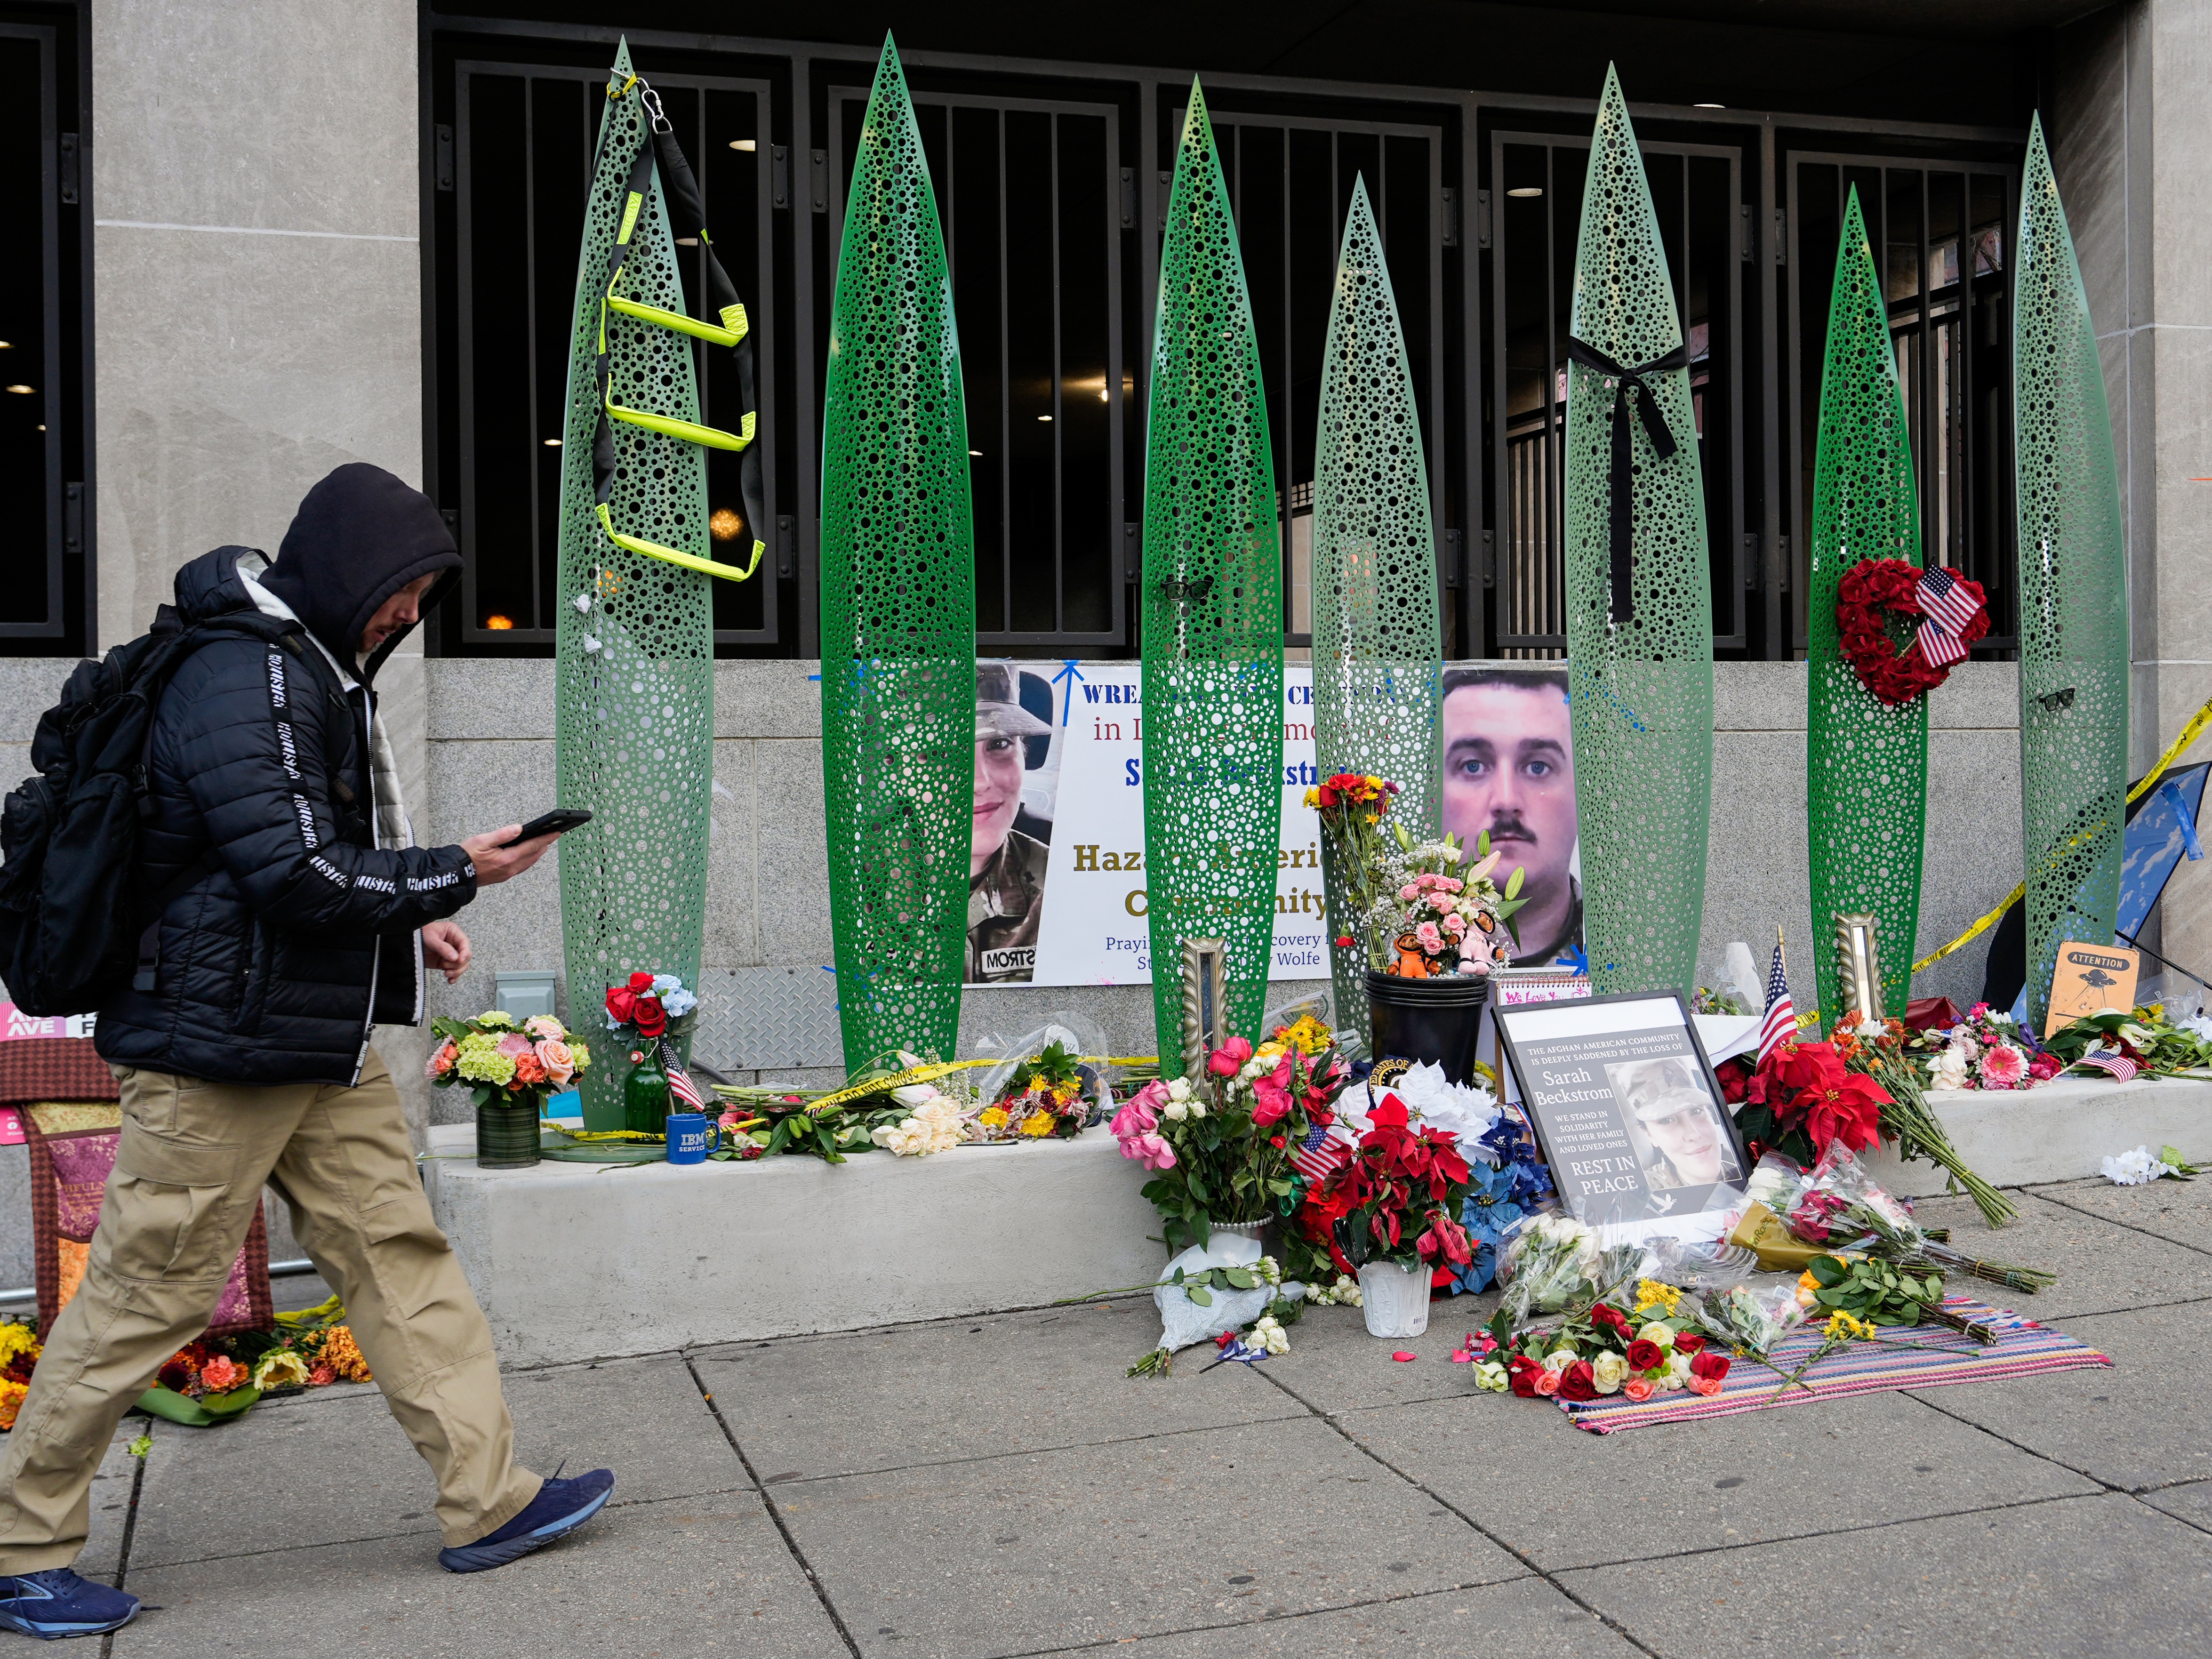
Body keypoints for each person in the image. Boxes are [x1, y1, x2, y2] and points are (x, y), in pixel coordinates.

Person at [0, 465, 613, 1640]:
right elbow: (292, 872)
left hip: (300, 1036)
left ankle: (489, 1499)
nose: (408, 615)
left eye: (425, 596)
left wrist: (413, 908)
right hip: (218, 1052)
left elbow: (306, 859)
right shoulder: (249, 673)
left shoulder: (306, 670)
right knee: (144, 1294)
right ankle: (23, 1548)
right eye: (402, 591)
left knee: (396, 1252)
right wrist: (456, 870)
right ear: (345, 572)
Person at [1438, 665, 1581, 966]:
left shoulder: (1626, 949)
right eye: (1473, 766)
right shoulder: (1402, 947)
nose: (1505, 800)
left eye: (1538, 767)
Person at [967, 663, 1056, 984]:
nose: (979, 781)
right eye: (942, 752)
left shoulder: (1062, 886)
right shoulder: (863, 891)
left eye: (1000, 744)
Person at [1619, 1060, 1740, 1190]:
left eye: (1696, 1111)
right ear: (1649, 1134)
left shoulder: (1752, 1173)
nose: (1694, 1134)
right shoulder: (1639, 1197)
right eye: (1666, 1120)